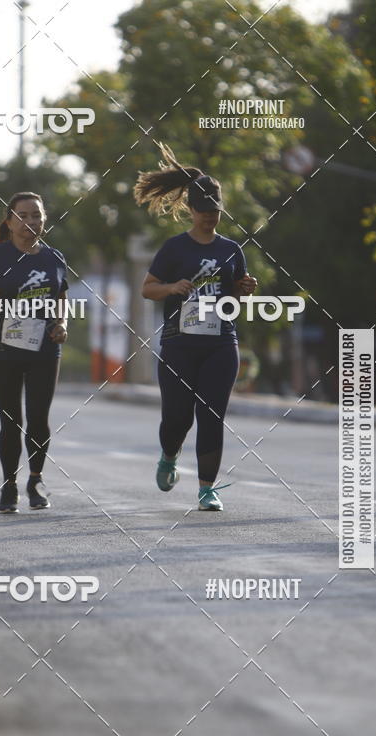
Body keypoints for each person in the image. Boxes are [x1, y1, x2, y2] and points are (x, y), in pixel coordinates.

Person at [135, 144, 257, 511]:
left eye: (215, 210)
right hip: (179, 344)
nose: (209, 217)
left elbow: (233, 299)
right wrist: (172, 287)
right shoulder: (175, 248)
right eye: (203, 210)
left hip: (220, 342)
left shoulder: (231, 249)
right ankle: (169, 455)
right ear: (191, 209)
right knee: (177, 417)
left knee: (211, 415)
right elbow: (147, 289)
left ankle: (207, 489)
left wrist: (243, 290)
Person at [0, 192, 68, 513]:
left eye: (36, 215)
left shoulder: (54, 258)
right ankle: (9, 485)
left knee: (38, 418)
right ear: (9, 222)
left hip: (44, 347)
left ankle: (35, 480)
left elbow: (61, 298)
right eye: (23, 216)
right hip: (4, 347)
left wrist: (62, 324)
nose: (30, 222)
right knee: (11, 420)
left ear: (44, 220)